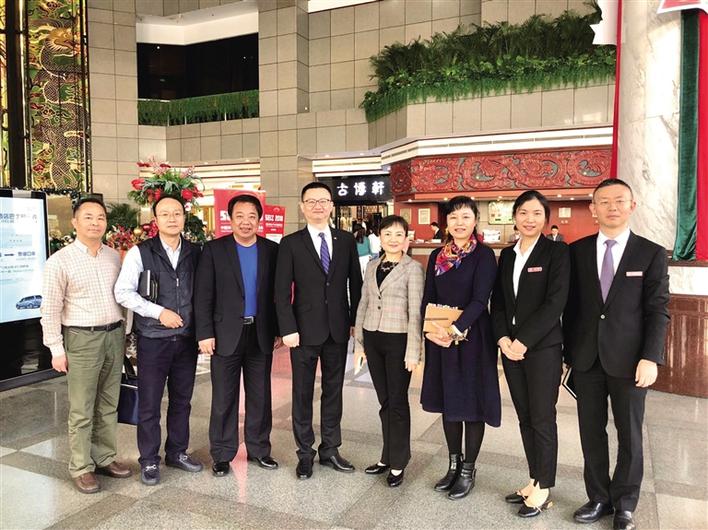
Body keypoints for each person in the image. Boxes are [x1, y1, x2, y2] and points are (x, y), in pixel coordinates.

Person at [564, 179, 670, 530]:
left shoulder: (651, 253)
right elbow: (571, 308)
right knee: (591, 432)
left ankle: (625, 503)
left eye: (619, 201)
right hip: (586, 359)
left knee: (630, 434)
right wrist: (567, 355)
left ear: (632, 206)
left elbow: (658, 309)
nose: (612, 207)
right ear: (592, 209)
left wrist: (651, 357)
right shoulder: (576, 251)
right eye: (604, 201)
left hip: (631, 361)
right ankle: (598, 497)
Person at [40, 198, 131, 494]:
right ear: (75, 222)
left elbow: (124, 297)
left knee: (108, 402)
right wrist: (56, 349)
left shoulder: (113, 257)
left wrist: (127, 333)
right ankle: (81, 466)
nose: (95, 222)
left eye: (100, 217)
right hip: (81, 338)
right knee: (82, 407)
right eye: (88, 217)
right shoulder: (60, 261)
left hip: (113, 335)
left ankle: (104, 457)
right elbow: (50, 309)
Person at [275, 182, 363, 480]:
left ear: (331, 206)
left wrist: (354, 321)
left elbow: (356, 284)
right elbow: (280, 291)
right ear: (302, 207)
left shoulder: (346, 240)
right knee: (302, 393)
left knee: (333, 391)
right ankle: (305, 453)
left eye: (323, 201)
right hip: (302, 331)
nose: (317, 206)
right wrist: (287, 327)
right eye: (311, 201)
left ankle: (330, 449)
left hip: (338, 330)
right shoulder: (290, 243)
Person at [490, 190, 570, 517]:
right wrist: (502, 339)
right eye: (523, 212)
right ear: (514, 217)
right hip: (510, 349)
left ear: (546, 218)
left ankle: (545, 486)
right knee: (524, 416)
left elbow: (556, 302)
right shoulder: (508, 255)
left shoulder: (557, 252)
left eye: (536, 213)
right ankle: (534, 478)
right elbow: (498, 302)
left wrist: (523, 340)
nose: (529, 219)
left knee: (542, 417)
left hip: (542, 349)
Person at [114, 195, 203, 486]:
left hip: (186, 339)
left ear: (184, 217)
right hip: (153, 338)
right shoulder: (140, 252)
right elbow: (123, 292)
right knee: (150, 403)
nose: (172, 218)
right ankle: (149, 459)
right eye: (165, 214)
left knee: (182, 401)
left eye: (177, 213)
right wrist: (159, 312)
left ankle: (177, 452)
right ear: (156, 220)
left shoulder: (196, 252)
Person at [194, 194, 281, 477]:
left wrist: (279, 330)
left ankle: (259, 449)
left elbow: (278, 295)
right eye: (240, 216)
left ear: (260, 220)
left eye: (252, 216)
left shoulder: (271, 250)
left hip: (260, 332)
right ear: (230, 219)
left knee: (260, 396)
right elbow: (203, 295)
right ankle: (221, 454)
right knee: (223, 398)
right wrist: (205, 333)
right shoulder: (214, 250)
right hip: (224, 334)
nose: (246, 222)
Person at [421, 195, 500, 500]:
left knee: (472, 403)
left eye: (465, 216)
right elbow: (428, 297)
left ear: (475, 220)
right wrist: (432, 331)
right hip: (440, 338)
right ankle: (453, 464)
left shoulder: (484, 255)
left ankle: (468, 470)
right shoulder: (437, 256)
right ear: (446, 222)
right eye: (453, 217)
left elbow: (480, 299)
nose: (459, 223)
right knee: (449, 400)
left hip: (473, 338)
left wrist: (455, 329)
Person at [354, 215, 424, 488]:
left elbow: (415, 313)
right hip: (373, 338)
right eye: (387, 234)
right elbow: (363, 303)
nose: (393, 239)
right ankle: (386, 456)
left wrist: (413, 352)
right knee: (384, 402)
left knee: (397, 402)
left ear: (406, 238)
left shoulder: (413, 269)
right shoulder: (373, 265)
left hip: (398, 341)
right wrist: (359, 344)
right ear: (380, 238)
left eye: (398, 234)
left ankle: (399, 461)